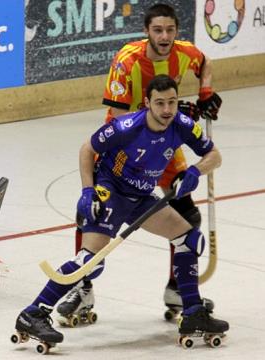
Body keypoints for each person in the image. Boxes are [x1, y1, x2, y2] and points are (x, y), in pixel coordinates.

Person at [14, 75, 228, 346]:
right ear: (147, 103)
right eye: (160, 103)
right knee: (91, 262)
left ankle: (194, 312)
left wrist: (197, 170)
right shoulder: (127, 127)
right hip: (111, 191)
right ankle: (33, 313)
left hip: (141, 196)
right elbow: (87, 149)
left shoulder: (182, 125)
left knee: (188, 240)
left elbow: (215, 156)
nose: (167, 110)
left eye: (172, 102)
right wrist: (87, 191)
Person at [60, 3, 222, 318]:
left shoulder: (184, 52)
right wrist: (173, 114)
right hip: (121, 146)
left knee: (186, 214)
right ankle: (82, 290)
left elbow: (205, 63)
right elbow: (121, 118)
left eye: (170, 30)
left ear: (177, 31)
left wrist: (205, 93)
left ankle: (178, 290)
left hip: (163, 141)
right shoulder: (126, 61)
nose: (164, 36)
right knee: (91, 215)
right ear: (146, 31)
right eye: (158, 30)